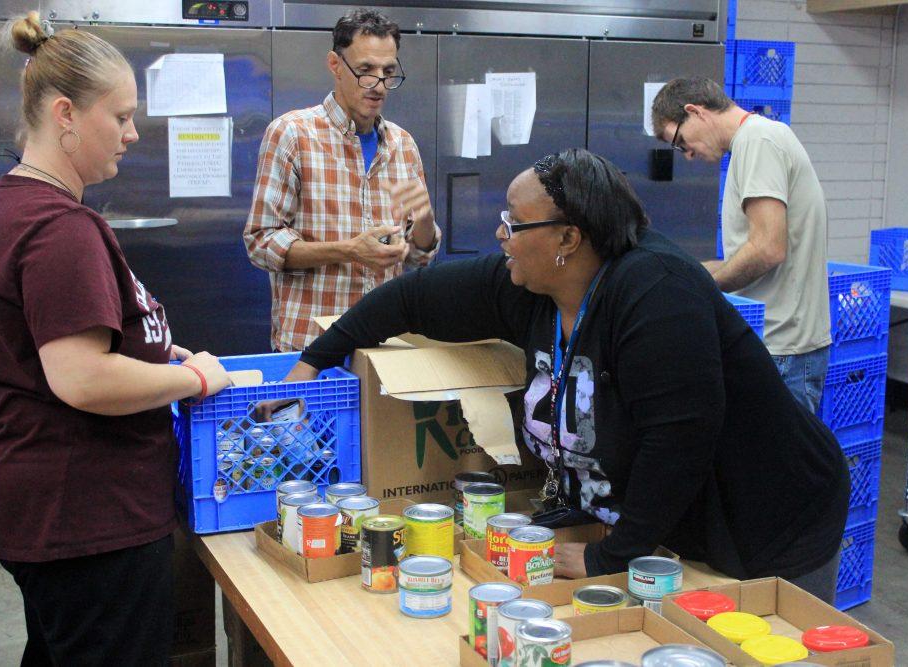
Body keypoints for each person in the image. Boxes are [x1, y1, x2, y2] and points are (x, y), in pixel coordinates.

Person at [284, 148, 850, 603]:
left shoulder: (657, 293)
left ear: (567, 238)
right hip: (671, 532)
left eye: (515, 221)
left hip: (769, 521)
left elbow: (680, 440)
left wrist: (612, 557)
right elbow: (412, 298)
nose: (501, 233)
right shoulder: (534, 288)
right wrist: (315, 359)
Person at [0, 14, 230, 665]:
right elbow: (82, 377)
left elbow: (53, 346)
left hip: (49, 510)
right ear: (65, 115)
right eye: (122, 116)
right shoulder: (59, 228)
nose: (133, 134)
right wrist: (197, 378)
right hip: (84, 517)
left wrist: (157, 353)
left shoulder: (15, 207)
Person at [244, 9, 440, 352]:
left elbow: (418, 258)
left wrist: (424, 221)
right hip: (311, 346)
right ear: (335, 65)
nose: (378, 85)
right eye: (365, 71)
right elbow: (261, 243)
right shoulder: (293, 135)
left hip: (384, 345)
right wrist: (349, 251)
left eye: (388, 73)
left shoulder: (402, 144)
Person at [651, 78, 832, 414]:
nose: (687, 155)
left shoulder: (758, 140)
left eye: (679, 141)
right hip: (779, 346)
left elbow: (767, 249)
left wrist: (704, 288)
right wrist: (687, 275)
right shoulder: (755, 141)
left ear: (696, 112)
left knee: (775, 464)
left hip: (782, 349)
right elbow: (753, 250)